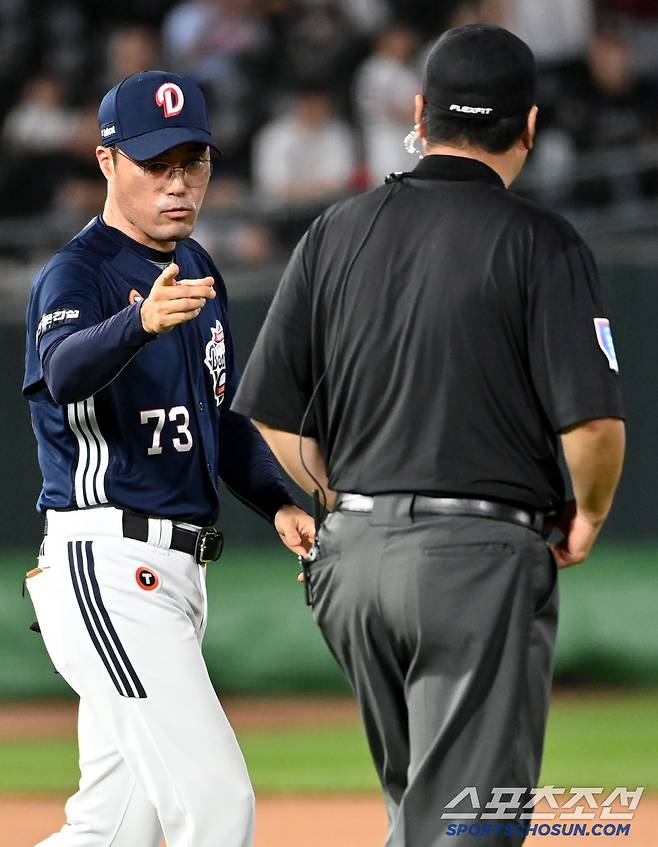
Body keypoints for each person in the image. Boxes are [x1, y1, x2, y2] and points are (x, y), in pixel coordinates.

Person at [231, 24, 626, 847]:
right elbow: (592, 424)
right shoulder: (541, 240)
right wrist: (588, 514)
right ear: (529, 126)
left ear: (419, 112)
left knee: (422, 814)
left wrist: (352, 503)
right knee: (473, 822)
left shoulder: (336, 230)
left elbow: (270, 413)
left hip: (352, 566)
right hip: (475, 560)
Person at [22, 70, 314, 847]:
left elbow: (222, 418)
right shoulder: (79, 272)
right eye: (156, 165)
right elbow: (63, 370)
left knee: (113, 832)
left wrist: (278, 501)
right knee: (218, 806)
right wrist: (138, 324)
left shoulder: (199, 268)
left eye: (193, 162)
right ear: (107, 161)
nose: (178, 184)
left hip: (174, 573)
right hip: (108, 562)